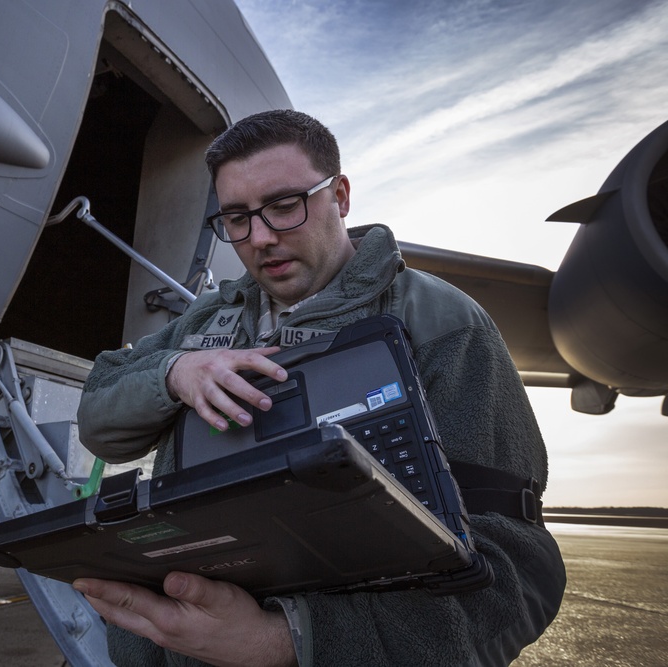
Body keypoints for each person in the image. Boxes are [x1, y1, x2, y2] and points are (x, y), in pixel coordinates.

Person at [73, 109, 565, 666]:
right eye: (236, 218)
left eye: (284, 206)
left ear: (342, 195)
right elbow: (99, 417)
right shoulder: (206, 322)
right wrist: (174, 373)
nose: (260, 238)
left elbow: (515, 568)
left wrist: (287, 642)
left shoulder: (439, 320)